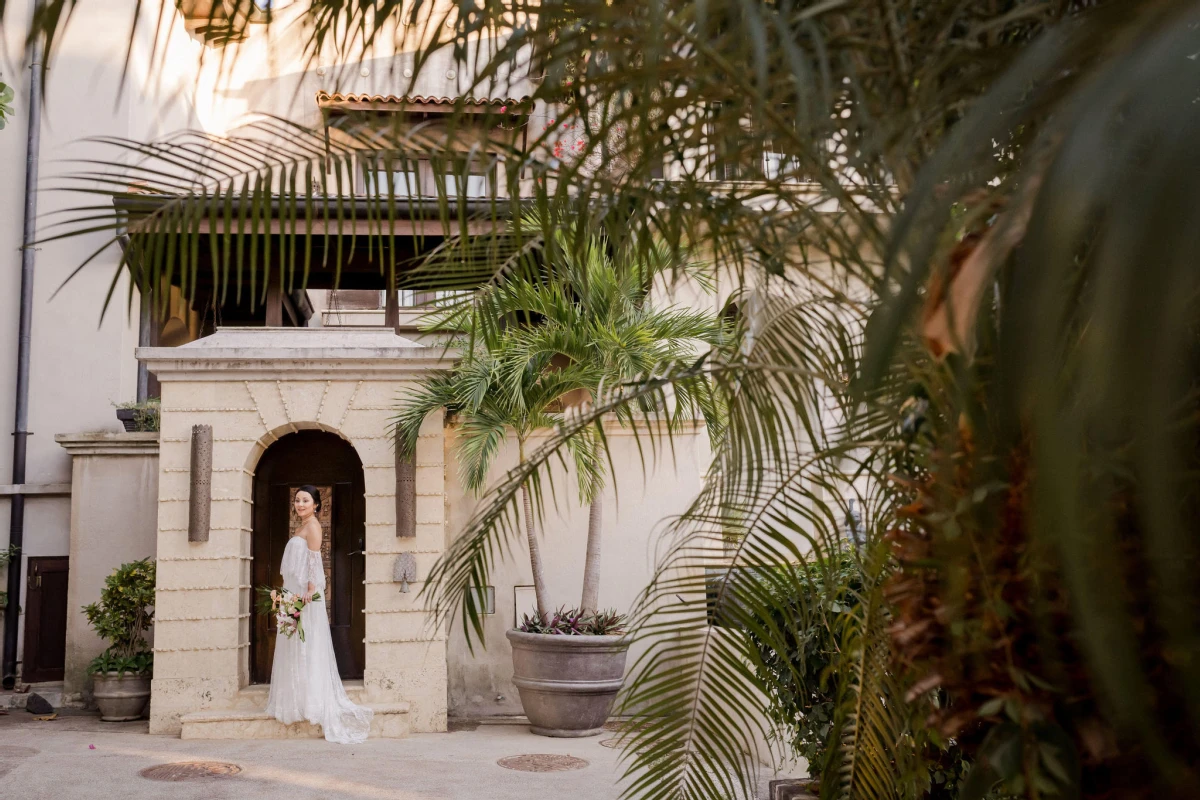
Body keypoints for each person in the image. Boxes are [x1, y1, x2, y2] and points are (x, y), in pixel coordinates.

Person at [265, 485, 373, 743]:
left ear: (316, 504)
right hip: (293, 593)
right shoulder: (301, 526)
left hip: (304, 597)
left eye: (306, 500)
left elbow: (315, 563)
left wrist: (308, 595)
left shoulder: (313, 527)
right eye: (297, 500)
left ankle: (311, 702)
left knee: (307, 644)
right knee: (294, 644)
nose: (300, 504)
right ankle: (296, 699)